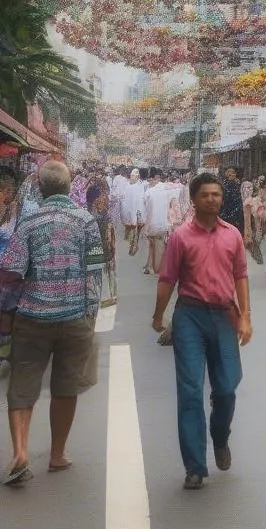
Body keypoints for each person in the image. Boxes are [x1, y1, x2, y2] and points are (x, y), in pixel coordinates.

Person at [0, 160, 105, 486]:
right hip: (75, 319)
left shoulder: (28, 223)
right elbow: (95, 269)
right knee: (65, 386)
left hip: (32, 319)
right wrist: (90, 313)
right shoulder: (86, 220)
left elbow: (9, 270)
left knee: (22, 386)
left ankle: (20, 452)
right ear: (69, 185)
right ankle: (58, 454)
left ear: (40, 187)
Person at [153, 173, 252, 490]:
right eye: (206, 195)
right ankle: (195, 466)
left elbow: (240, 276)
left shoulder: (233, 235)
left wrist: (246, 316)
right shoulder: (181, 237)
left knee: (226, 388)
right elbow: (167, 279)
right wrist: (159, 315)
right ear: (194, 200)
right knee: (191, 392)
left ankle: (220, 436)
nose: (212, 199)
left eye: (216, 194)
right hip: (190, 318)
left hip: (224, 316)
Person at [143, 169, 177, 276]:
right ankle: (152, 267)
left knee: (152, 245)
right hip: (163, 223)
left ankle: (154, 268)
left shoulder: (149, 191)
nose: (149, 182)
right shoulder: (168, 189)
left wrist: (145, 225)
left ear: (155, 178)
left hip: (151, 223)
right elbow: (173, 203)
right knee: (159, 245)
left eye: (151, 179)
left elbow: (145, 208)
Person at [121, 168, 146, 256]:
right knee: (133, 232)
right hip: (132, 213)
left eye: (134, 176)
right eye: (132, 175)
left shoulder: (140, 185)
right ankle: (133, 246)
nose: (133, 177)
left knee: (135, 231)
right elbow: (124, 201)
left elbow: (141, 200)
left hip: (136, 213)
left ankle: (133, 246)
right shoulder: (128, 186)